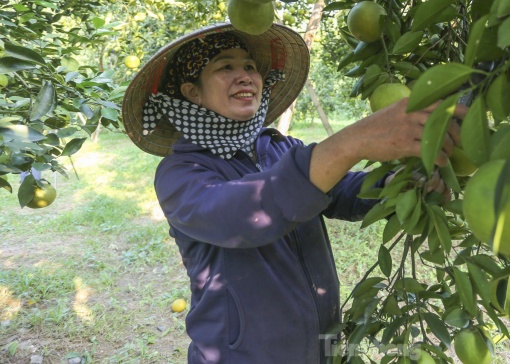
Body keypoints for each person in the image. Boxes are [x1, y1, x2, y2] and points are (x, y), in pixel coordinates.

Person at [121, 23, 465, 363]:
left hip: (316, 345)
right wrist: (353, 142)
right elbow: (243, 215)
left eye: (250, 67)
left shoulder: (277, 147)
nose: (245, 76)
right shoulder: (181, 174)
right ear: (192, 92)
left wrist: (394, 186)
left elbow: (340, 189)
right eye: (225, 67)